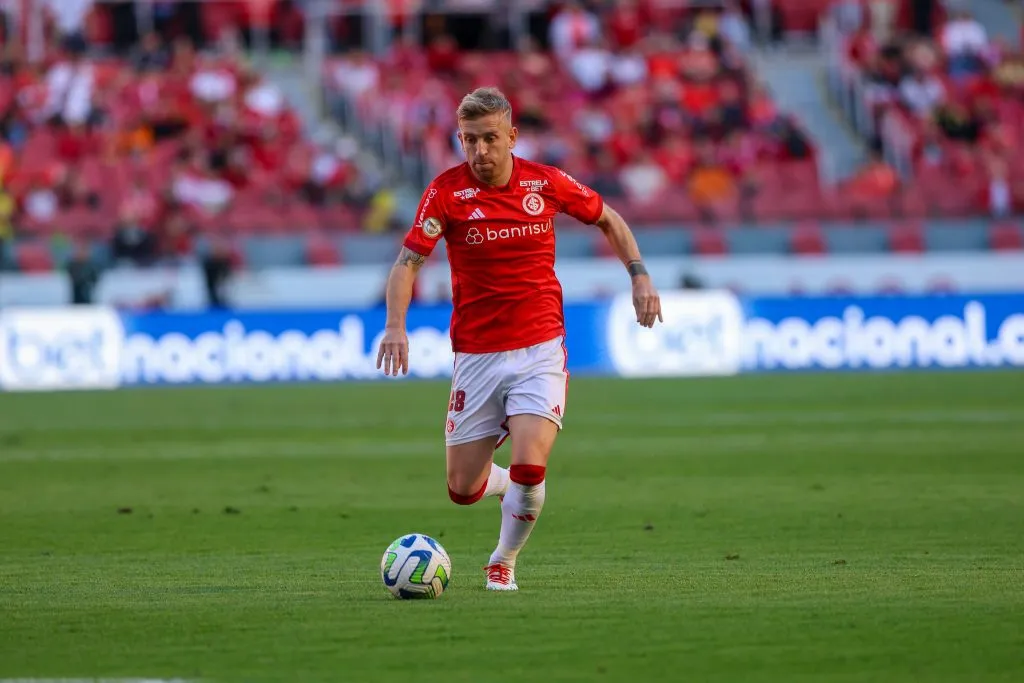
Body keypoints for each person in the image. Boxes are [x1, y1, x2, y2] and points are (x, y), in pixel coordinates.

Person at [375, 87, 663, 591]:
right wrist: (395, 325)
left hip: (539, 348)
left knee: (532, 466)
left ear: (512, 136)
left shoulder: (546, 183)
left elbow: (609, 220)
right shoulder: (445, 192)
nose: (480, 152)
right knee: (462, 490)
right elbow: (407, 263)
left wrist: (638, 274)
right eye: (469, 141)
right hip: (477, 356)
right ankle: (507, 485)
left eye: (490, 139)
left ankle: (503, 559)